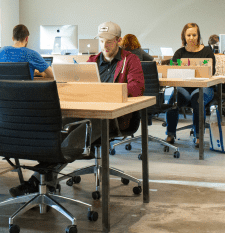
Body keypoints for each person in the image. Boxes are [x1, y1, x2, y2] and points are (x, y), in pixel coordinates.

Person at [10, 21, 143, 198]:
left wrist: (108, 92)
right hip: (87, 109)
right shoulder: (93, 61)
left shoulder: (130, 60)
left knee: (84, 127)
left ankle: (38, 180)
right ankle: (45, 177)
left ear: (118, 41)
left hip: (114, 117)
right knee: (59, 122)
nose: (104, 44)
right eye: (101, 40)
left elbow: (136, 87)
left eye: (109, 41)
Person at [165, 23, 217, 148]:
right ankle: (170, 134)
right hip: (184, 88)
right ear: (184, 36)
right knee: (173, 101)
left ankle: (198, 135)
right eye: (189, 35)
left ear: (198, 36)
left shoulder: (207, 52)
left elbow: (212, 71)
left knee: (197, 100)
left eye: (194, 35)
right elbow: (172, 69)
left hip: (204, 88)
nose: (191, 38)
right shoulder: (179, 53)